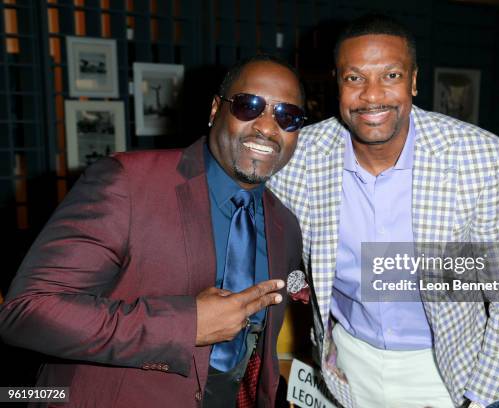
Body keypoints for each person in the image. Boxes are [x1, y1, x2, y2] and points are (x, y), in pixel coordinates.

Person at [0, 54, 306, 407]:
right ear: (214, 110)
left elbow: (257, 356)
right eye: (248, 106)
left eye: (288, 116)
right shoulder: (128, 183)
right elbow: (26, 312)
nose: (267, 128)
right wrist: (186, 325)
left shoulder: (284, 226)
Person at [268, 14, 499, 408]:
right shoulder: (300, 158)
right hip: (345, 369)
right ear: (336, 83)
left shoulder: (475, 158)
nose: (371, 95)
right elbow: (275, 253)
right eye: (355, 78)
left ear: (414, 81)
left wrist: (483, 399)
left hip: (447, 374)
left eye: (391, 76)